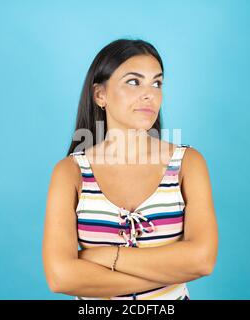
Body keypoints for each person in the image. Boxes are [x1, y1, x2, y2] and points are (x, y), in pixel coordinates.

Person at [42, 39, 218, 300]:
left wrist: (105, 257)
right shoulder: (70, 173)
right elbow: (61, 277)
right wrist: (170, 270)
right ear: (100, 95)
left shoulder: (188, 163)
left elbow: (202, 260)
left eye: (157, 83)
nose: (150, 94)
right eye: (134, 81)